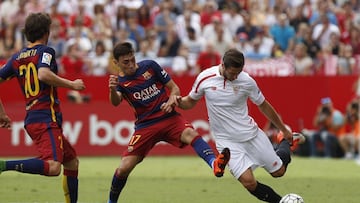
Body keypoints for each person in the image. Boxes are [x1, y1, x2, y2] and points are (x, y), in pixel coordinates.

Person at [167, 48, 305, 203]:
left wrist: (283, 129)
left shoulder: (247, 81)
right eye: (232, 73)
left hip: (251, 135)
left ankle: (284, 141)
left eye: (238, 73)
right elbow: (190, 102)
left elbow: (264, 105)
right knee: (249, 182)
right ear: (223, 65)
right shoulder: (205, 78)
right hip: (227, 142)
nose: (235, 76)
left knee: (279, 172)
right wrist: (178, 101)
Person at [107, 42, 230, 203]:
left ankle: (214, 163)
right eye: (126, 62)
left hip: (169, 117)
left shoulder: (150, 66)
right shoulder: (120, 82)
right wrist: (111, 89)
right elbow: (115, 102)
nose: (131, 64)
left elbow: (175, 89)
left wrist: (172, 98)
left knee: (190, 133)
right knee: (124, 168)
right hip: (145, 126)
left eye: (132, 59)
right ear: (116, 63)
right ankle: (111, 201)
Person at [0, 13, 85, 203]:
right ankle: (3, 165)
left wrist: (2, 113)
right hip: (46, 118)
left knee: (71, 161)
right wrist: (72, 85)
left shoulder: (16, 57)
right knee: (54, 167)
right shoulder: (46, 51)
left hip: (35, 118)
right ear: (46, 32)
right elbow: (44, 74)